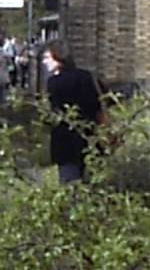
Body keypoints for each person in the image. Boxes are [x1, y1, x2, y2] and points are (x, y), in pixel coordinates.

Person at [41, 39, 103, 185]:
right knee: (92, 183)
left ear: (58, 58)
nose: (44, 62)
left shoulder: (54, 83)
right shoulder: (88, 77)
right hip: (91, 137)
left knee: (69, 183)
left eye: (47, 58)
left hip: (65, 141)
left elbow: (51, 113)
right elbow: (102, 104)